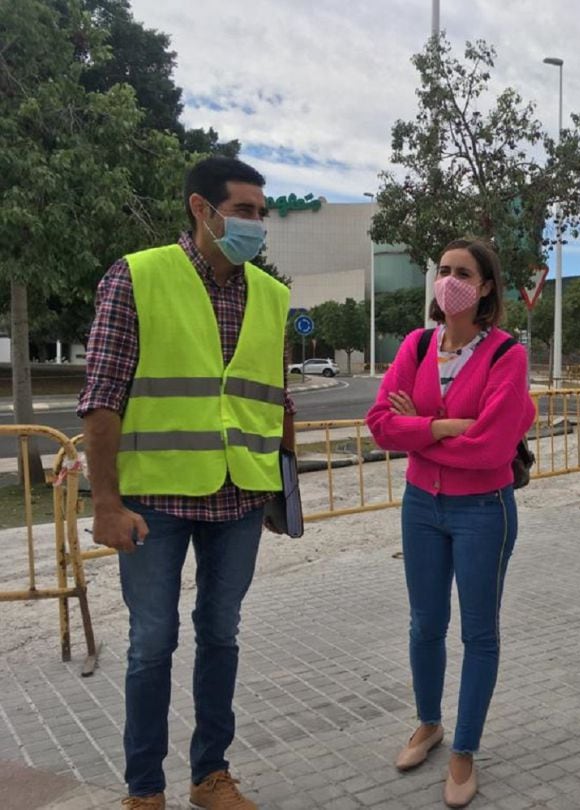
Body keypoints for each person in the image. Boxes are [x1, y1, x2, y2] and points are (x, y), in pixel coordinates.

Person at [79, 156, 294, 810]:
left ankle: (210, 776)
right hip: (155, 501)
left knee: (221, 633)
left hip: (237, 499)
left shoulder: (274, 295)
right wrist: (107, 503)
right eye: (246, 210)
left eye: (261, 212)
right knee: (152, 643)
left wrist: (282, 494)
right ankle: (144, 790)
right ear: (202, 209)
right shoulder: (137, 276)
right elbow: (101, 398)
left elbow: (274, 402)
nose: (258, 224)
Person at [365, 238, 535, 808]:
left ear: (486, 286)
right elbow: (379, 423)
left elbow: (491, 448)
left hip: (483, 510)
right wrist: (441, 427)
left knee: (478, 633)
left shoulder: (506, 353)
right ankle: (429, 723)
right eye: (443, 269)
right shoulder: (415, 346)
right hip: (421, 507)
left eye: (463, 271)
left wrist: (420, 430)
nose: (450, 279)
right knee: (424, 624)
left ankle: (464, 749)